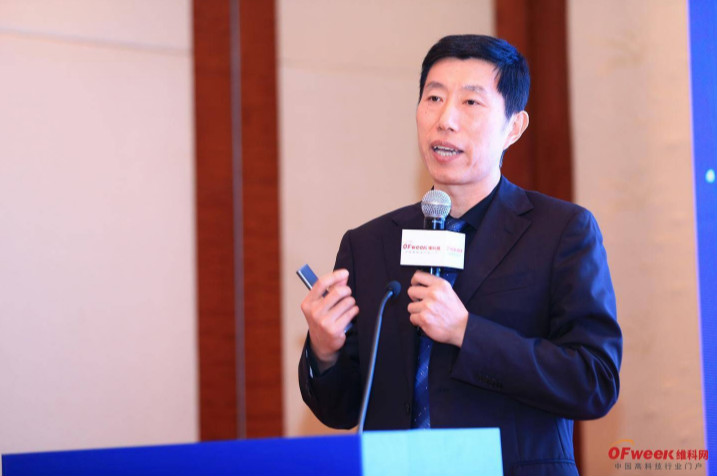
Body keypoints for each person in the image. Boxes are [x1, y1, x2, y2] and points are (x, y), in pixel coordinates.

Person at [298, 34, 622, 476]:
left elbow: (594, 381)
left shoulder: (561, 231)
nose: (445, 119)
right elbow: (340, 410)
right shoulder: (368, 244)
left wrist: (468, 333)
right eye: (434, 98)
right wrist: (325, 351)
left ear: (514, 127)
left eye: (471, 102)